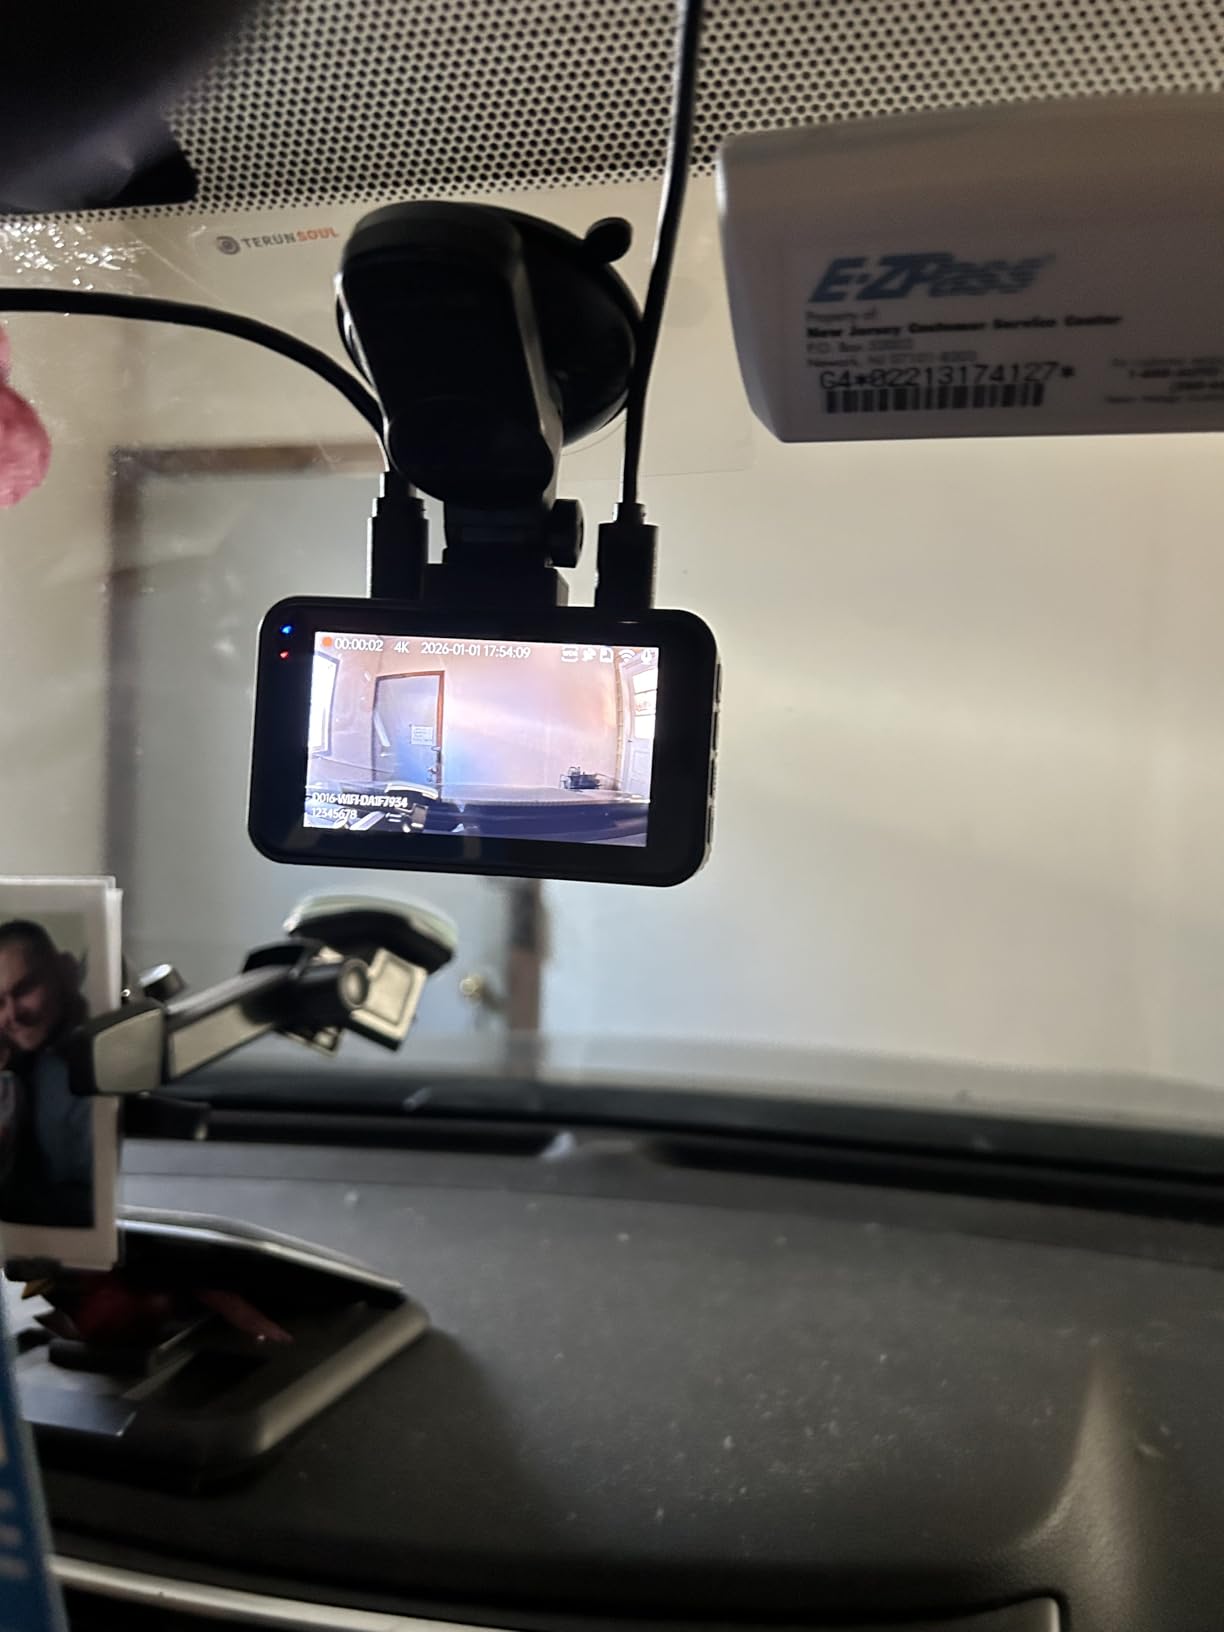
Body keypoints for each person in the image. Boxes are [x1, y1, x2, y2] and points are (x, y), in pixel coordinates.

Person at [0, 920, 93, 1228]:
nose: (13, 1015)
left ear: (64, 970)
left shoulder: (88, 1069)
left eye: (25, 989)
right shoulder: (23, 1063)